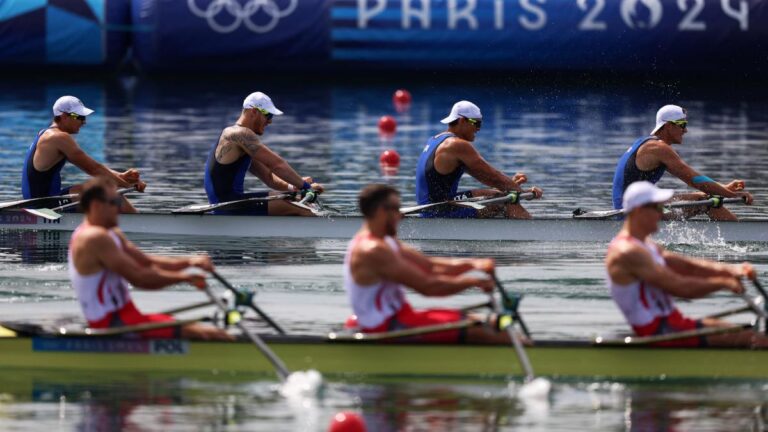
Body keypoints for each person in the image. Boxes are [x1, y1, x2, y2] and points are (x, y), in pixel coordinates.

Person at [344, 184, 520, 344]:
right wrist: (474, 282)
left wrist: (474, 264)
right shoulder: (372, 250)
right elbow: (428, 287)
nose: (401, 215)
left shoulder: (386, 241)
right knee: (481, 328)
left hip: (399, 316)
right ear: (382, 211)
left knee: (478, 319)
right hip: (383, 327)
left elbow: (429, 265)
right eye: (397, 209)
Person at [605, 181, 768, 347]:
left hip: (672, 323)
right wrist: (723, 283)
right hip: (658, 331)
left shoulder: (645, 244)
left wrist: (732, 270)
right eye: (658, 208)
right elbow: (681, 287)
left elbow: (687, 266)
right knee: (754, 338)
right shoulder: (628, 252)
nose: (661, 214)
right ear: (640, 211)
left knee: (749, 332)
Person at [68, 177, 231, 341]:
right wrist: (185, 277)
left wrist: (190, 262)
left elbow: (146, 261)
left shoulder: (111, 232)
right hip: (111, 324)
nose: (120, 208)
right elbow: (139, 278)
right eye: (115, 202)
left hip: (128, 316)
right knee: (210, 335)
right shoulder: (94, 238)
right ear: (96, 205)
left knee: (205, 330)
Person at [611, 104, 753, 220]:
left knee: (703, 197)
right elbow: (695, 180)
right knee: (709, 203)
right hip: (631, 212)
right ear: (668, 126)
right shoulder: (658, 148)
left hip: (636, 204)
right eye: (682, 124)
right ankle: (741, 238)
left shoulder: (647, 143)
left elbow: (696, 179)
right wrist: (733, 195)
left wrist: (725, 188)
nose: (685, 130)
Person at [415, 100, 543, 219]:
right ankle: (533, 236)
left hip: (437, 204)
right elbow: (492, 177)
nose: (478, 128)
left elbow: (489, 177)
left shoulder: (435, 139)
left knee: (496, 194)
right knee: (507, 200)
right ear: (461, 121)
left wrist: (511, 185)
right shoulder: (456, 145)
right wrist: (521, 192)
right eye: (476, 123)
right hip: (438, 211)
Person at [204, 91, 323, 216]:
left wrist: (293, 186)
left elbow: (269, 177)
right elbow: (277, 164)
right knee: (298, 207)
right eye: (269, 115)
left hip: (232, 202)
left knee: (295, 199)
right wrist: (305, 186)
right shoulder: (239, 134)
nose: (270, 121)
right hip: (227, 205)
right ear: (254, 112)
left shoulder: (242, 143)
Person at [22, 95, 145, 212]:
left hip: (47, 198)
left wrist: (121, 176)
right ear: (64, 116)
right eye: (80, 117)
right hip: (43, 205)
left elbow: (92, 165)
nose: (84, 122)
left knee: (101, 190)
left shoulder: (47, 134)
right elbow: (93, 169)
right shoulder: (58, 137)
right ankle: (141, 229)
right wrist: (127, 186)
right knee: (110, 194)